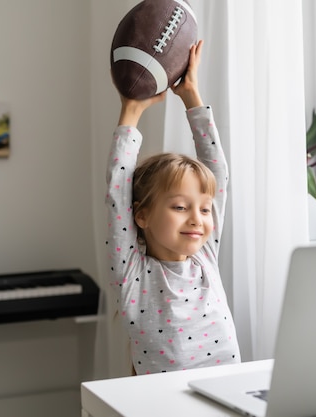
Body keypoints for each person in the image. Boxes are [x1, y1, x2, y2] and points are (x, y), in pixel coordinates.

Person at [106, 39, 241, 375]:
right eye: (181, 207)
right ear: (141, 215)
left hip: (225, 388)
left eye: (205, 209)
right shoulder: (132, 274)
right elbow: (116, 190)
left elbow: (217, 172)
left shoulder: (204, 254)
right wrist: (131, 111)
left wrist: (191, 95)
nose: (198, 219)